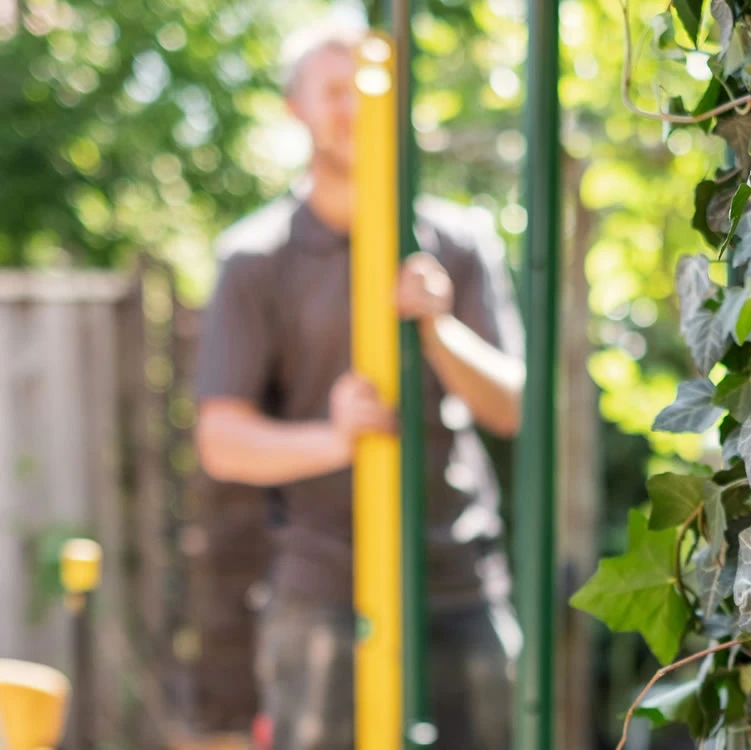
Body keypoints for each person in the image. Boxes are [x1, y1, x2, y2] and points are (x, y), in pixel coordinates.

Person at [193, 22, 526, 750]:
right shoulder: (256, 257)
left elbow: (509, 406)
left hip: (458, 576)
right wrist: (337, 437)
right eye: (335, 91)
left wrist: (436, 327)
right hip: (323, 587)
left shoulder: (456, 243)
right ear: (297, 110)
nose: (357, 108)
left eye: (371, 90)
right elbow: (222, 441)